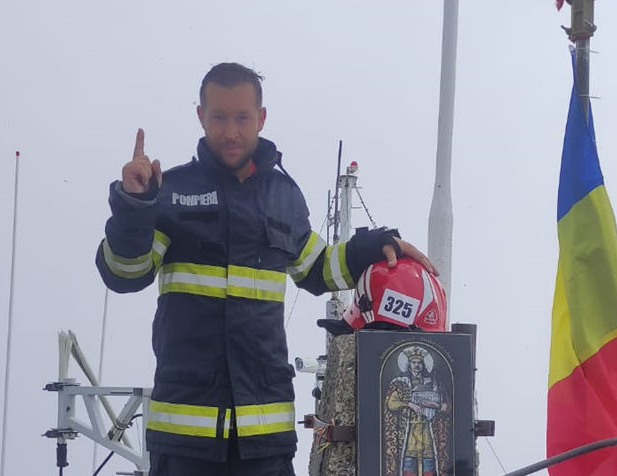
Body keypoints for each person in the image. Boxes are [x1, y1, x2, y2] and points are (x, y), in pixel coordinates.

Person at [96, 62, 436, 476]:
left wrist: (376, 243)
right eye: (219, 117)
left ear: (261, 118)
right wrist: (134, 207)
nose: (231, 131)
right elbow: (126, 274)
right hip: (184, 443)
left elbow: (318, 268)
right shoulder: (170, 192)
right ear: (201, 116)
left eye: (242, 118)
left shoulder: (284, 196)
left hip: (266, 444)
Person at [385, 346, 451, 476]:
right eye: (414, 362)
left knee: (429, 460)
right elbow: (391, 404)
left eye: (419, 362)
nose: (417, 365)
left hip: (428, 427)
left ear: (423, 365)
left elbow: (447, 407)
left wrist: (436, 405)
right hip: (409, 427)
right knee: (409, 460)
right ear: (409, 365)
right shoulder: (401, 383)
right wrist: (409, 404)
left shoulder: (434, 384)